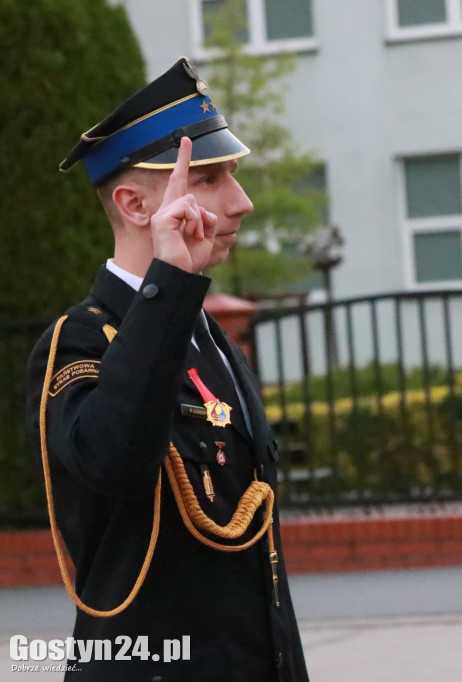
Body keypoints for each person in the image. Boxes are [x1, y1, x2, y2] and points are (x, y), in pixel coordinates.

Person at [26, 58, 308, 680]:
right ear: (133, 202)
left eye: (232, 174)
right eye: (209, 178)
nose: (242, 201)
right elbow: (114, 459)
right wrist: (171, 282)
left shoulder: (209, 338)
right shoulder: (76, 344)